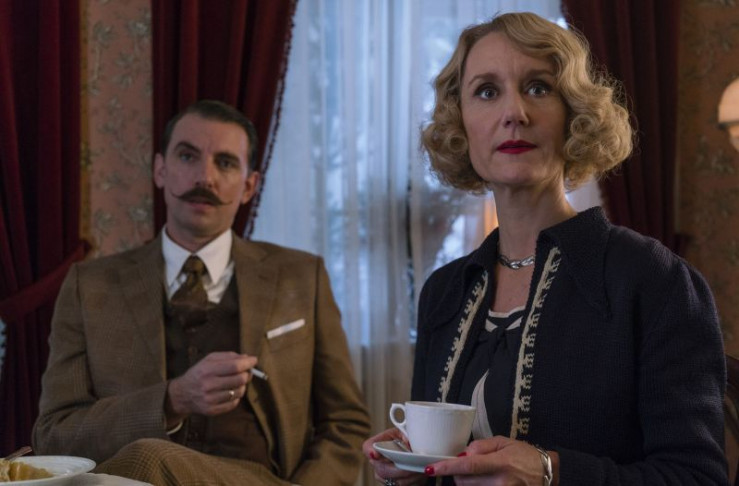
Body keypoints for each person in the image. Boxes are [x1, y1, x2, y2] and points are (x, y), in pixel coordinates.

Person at [364, 12, 727, 486]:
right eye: (487, 92)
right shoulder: (444, 291)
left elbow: (698, 477)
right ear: (461, 124)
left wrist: (551, 472)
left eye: (538, 87)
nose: (514, 112)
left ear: (574, 115)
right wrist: (411, 466)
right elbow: (440, 464)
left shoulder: (653, 279)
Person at [33, 99, 371, 485]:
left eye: (225, 163)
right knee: (148, 458)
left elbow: (345, 423)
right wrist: (172, 399)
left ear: (249, 186)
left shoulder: (301, 277)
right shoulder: (89, 286)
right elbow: (53, 435)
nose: (204, 177)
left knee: (149, 458)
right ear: (160, 170)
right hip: (136, 479)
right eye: (187, 156)